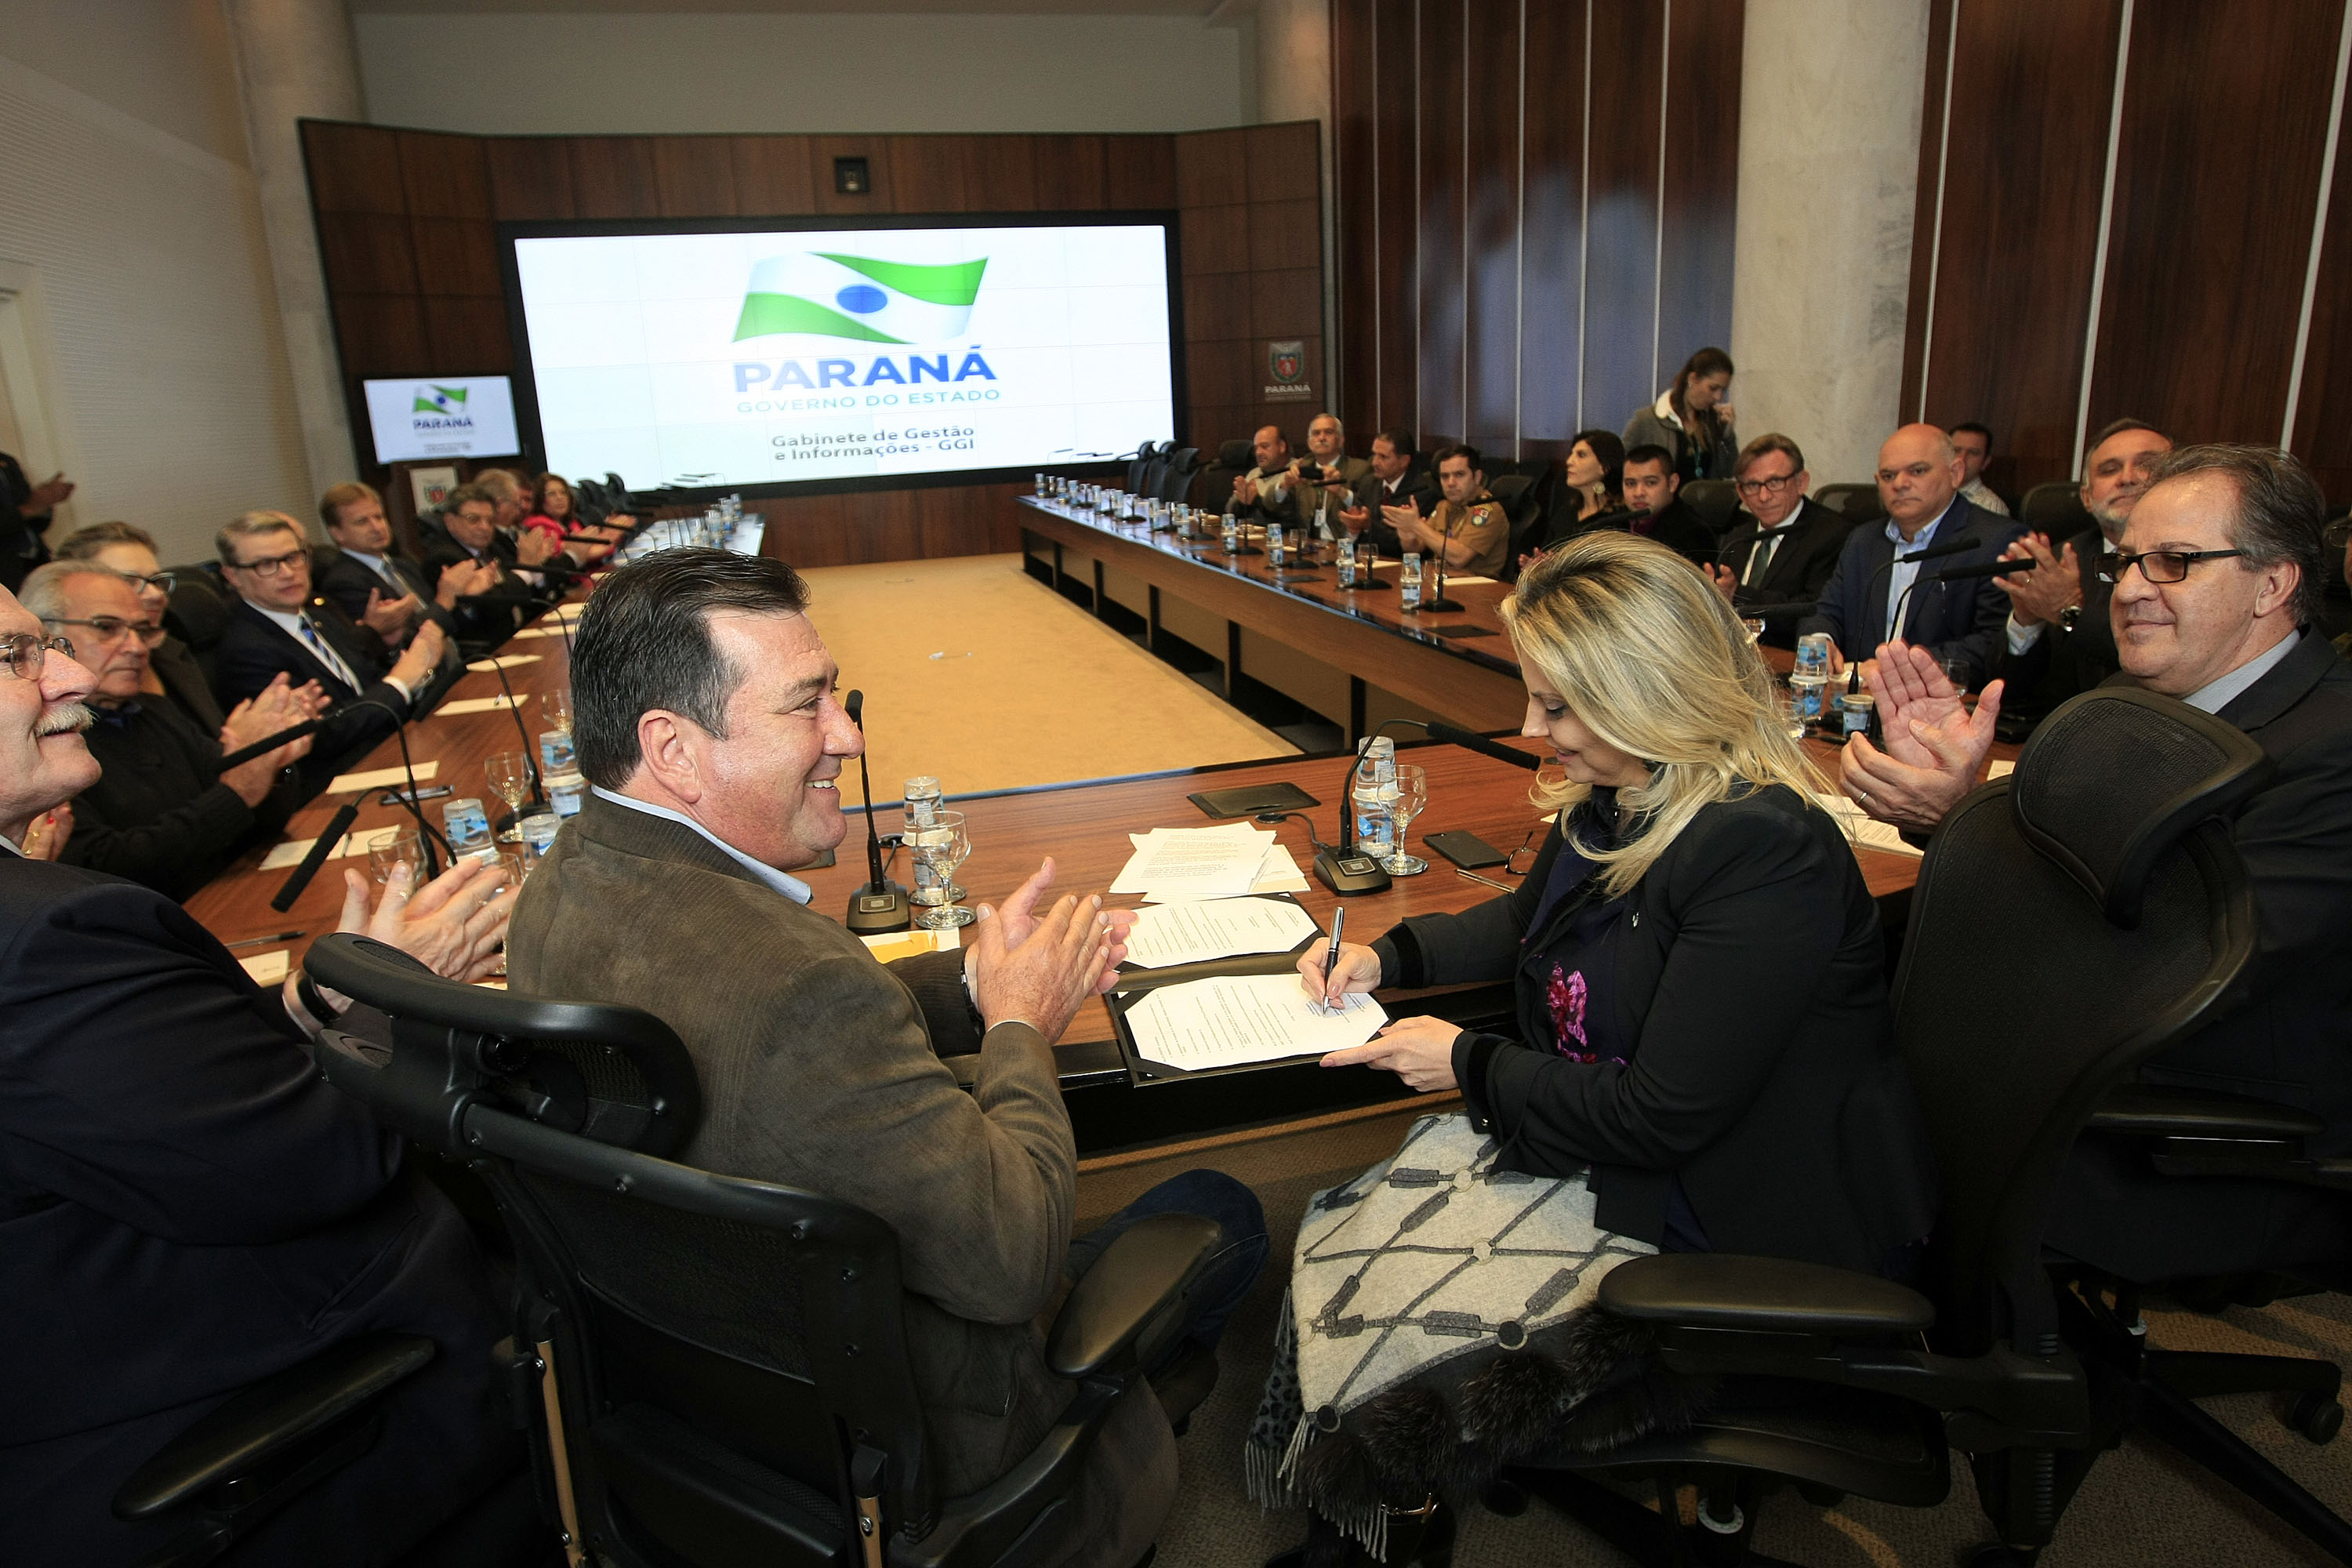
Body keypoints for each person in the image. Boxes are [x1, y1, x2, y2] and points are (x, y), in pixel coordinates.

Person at [504, 550, 1267, 1568]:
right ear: (674, 749)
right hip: (924, 1440)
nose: (849, 735)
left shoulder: (561, 882)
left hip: (710, 1388)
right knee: (1223, 1210)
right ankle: (1105, 1460)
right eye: (807, 705)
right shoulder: (801, 988)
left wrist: (976, 981)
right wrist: (1019, 1024)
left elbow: (774, 1022)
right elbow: (1010, 1262)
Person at [0, 577, 539, 1566]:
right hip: (282, 1397)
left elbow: (160, 1104)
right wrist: (393, 996)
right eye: (16, 656)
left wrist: (310, 1008)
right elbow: (323, 1165)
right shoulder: (47, 933)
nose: (70, 677)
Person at [1841, 445, 2352, 1283]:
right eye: (2126, 561)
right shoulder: (2127, 697)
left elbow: (2188, 965)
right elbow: (2062, 862)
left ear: (2273, 584)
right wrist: (1960, 799)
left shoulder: (2334, 746)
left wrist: (1964, 818)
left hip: (2189, 1127)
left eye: (2174, 561)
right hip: (2059, 1057)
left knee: (1839, 1135)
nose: (2132, 588)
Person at [20, 561, 316, 900]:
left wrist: (272, 764)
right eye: (107, 627)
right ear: (45, 643)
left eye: (142, 630)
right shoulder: (44, 743)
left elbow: (259, 824)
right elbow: (103, 869)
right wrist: (239, 789)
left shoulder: (155, 711)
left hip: (231, 895)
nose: (136, 647)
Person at [212, 510, 448, 789]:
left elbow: (368, 683)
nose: (288, 573)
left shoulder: (319, 617)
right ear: (233, 576)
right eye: (266, 565)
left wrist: (412, 663)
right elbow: (324, 736)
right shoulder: (247, 649)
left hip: (388, 751)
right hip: (334, 784)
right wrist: (401, 681)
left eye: (293, 557)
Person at [1798, 423, 2024, 687]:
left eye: (1917, 471)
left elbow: (1995, 643)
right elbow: (1826, 609)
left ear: (1955, 473)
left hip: (1945, 701)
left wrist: (1898, 668)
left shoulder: (1995, 542)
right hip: (1860, 698)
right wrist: (1821, 640)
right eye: (1888, 476)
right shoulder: (1864, 540)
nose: (1900, 484)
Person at [1987, 419, 2173, 718]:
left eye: (2146, 465)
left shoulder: (2190, 563)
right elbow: (2008, 692)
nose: (2127, 478)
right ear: (2087, 498)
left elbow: (2151, 665)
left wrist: (2068, 611)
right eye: (2109, 470)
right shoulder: (2058, 560)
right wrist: (2027, 622)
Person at [53, 521, 230, 734]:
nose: (156, 595)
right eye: (129, 581)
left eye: (156, 581)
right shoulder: (67, 693)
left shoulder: (171, 650)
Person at [1704, 434, 1856, 647]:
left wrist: (1737, 595)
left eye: (1775, 482)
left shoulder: (1833, 535)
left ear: (1801, 482)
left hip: (1790, 655)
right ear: (1741, 492)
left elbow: (1813, 610)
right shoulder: (1736, 538)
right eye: (1752, 485)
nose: (1764, 496)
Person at [314, 480, 485, 652]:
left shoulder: (404, 565)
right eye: (362, 522)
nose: (377, 527)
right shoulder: (344, 582)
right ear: (337, 533)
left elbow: (446, 623)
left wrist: (464, 598)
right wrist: (445, 600)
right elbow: (402, 641)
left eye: (379, 517)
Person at [419, 485, 555, 649]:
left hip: (518, 635)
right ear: (450, 521)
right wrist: (526, 567)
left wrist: (535, 567)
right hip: (489, 648)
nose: (484, 527)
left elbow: (522, 594)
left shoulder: (493, 548)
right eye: (473, 519)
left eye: (490, 521)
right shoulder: (445, 558)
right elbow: (493, 607)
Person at [1559, 443, 1713, 569]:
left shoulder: (1693, 532)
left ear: (1672, 483)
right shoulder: (1611, 521)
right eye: (1631, 484)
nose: (1639, 493)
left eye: (1650, 483)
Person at [1385, 443, 1510, 579]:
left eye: (1459, 475)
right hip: (1441, 580)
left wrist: (1417, 525)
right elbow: (1416, 548)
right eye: (1445, 476)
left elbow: (1459, 557)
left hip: (1476, 586)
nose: (1451, 483)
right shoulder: (1444, 506)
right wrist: (1407, 533)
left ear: (1477, 477)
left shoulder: (1487, 510)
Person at [1621, 347, 1738, 483]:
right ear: (1692, 379)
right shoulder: (1647, 420)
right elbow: (1620, 467)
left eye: (1723, 390)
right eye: (1713, 388)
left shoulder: (1712, 421)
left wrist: (1726, 436)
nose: (1718, 397)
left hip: (1707, 497)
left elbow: (1729, 471)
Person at [1335, 427, 1431, 557]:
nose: (1375, 462)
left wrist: (1368, 526)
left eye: (1383, 457)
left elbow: (1402, 545)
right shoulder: (1368, 483)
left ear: (1404, 461)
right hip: (1365, 560)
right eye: (1375, 454)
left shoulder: (1422, 493)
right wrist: (1353, 529)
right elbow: (1355, 534)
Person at [1273, 413, 1371, 539]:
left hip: (1344, 544)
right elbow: (1274, 508)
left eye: (1329, 432)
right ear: (1310, 443)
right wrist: (1285, 485)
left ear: (1341, 441)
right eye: (1316, 433)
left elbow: (1368, 511)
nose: (1322, 438)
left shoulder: (1359, 469)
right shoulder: (1302, 469)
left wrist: (1341, 492)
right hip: (1309, 545)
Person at [0, 450, 71, 592]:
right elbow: (27, 509)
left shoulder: (7, 461)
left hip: (35, 563)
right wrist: (29, 508)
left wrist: (45, 503)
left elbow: (34, 523)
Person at [1541, 429, 1627, 545]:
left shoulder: (1620, 518)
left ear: (1604, 467)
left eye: (1581, 455)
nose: (1569, 461)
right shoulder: (1566, 512)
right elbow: (1547, 549)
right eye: (1571, 454)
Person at [521, 470, 620, 564]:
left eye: (563, 493)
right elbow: (582, 555)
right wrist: (613, 535)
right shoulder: (538, 526)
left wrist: (609, 536)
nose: (559, 497)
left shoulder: (570, 523)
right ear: (540, 498)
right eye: (551, 494)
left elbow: (591, 548)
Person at [1224, 425, 1298, 527]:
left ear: (1282, 447)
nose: (1258, 453)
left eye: (1264, 446)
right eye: (1256, 448)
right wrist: (1242, 503)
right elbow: (1229, 510)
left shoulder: (1295, 472)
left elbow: (1288, 518)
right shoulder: (1254, 473)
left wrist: (1256, 501)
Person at [1950, 422, 2011, 517]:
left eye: (1973, 453)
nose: (1962, 459)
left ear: (1985, 462)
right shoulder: (1931, 491)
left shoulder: (1990, 506)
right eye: (1956, 450)